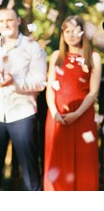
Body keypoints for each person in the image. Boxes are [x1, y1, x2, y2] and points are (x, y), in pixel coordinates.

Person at [0, 7, 47, 191]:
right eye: (1, 21)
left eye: (9, 20)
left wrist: (15, 81)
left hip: (22, 114)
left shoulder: (33, 47)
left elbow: (41, 82)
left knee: (30, 172)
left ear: (18, 20)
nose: (6, 25)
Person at [44, 16, 101, 190]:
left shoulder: (93, 57)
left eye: (75, 30)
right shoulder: (56, 56)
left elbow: (93, 91)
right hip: (57, 116)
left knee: (84, 160)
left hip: (82, 115)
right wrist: (54, 113)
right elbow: (50, 89)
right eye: (67, 31)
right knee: (57, 161)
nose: (71, 34)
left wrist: (77, 114)